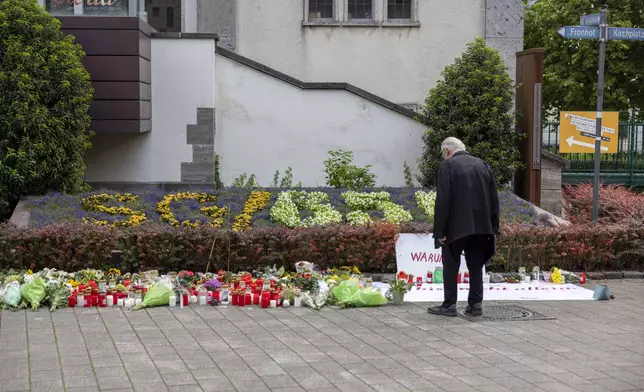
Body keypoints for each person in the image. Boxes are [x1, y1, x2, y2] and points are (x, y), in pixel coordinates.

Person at [427, 137, 499, 317]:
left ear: (447, 151)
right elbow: (493, 198)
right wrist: (494, 226)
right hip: (482, 226)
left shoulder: (448, 166)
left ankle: (449, 305)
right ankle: (476, 305)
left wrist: (440, 231)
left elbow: (443, 200)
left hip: (456, 226)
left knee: (451, 265)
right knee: (475, 265)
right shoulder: (483, 165)